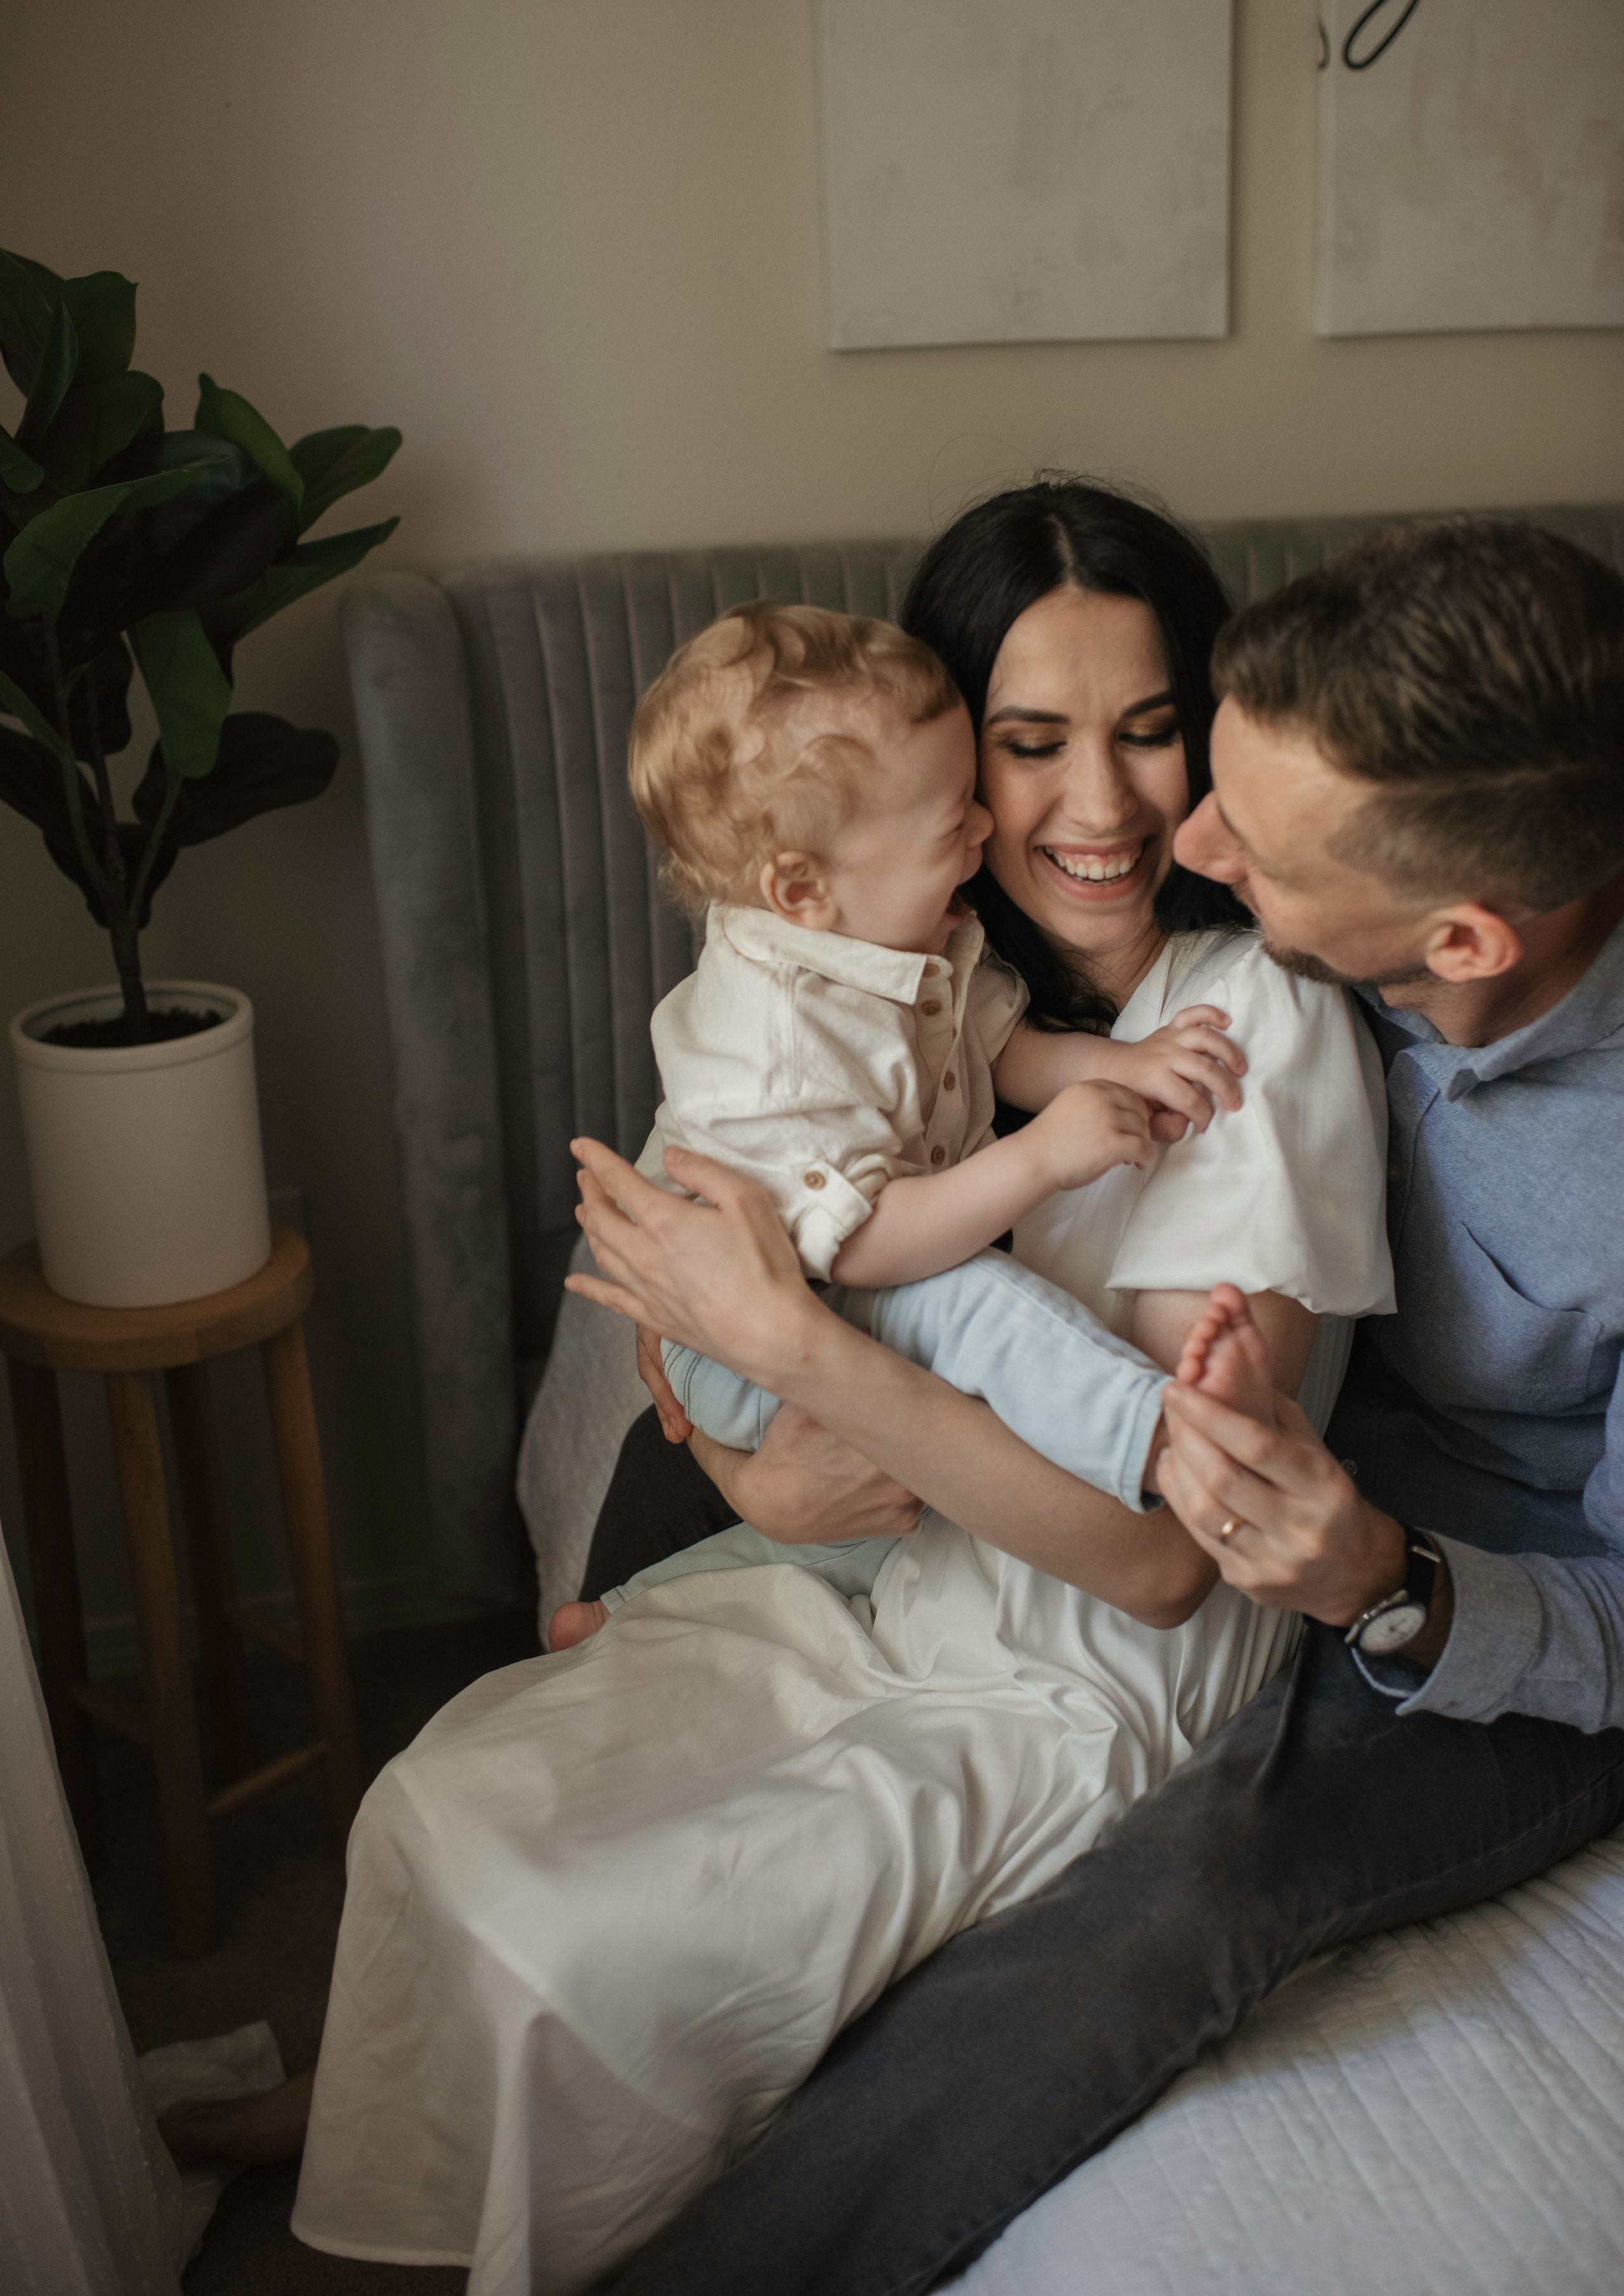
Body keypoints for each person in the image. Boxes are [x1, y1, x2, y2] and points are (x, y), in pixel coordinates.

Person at [285, 482, 1393, 2290]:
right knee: (448, 1794)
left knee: (592, 1936)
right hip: (893, 1584)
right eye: (1027, 746)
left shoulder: (1252, 1027)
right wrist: (752, 1482)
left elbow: (1166, 1558)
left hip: (1082, 1673)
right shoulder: (884, 983)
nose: (1094, 805)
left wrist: (804, 1358)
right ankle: (368, 2130)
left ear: (1214, 737)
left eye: (1145, 731)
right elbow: (688, 1273)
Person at [554, 513, 1624, 2295]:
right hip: (1144, 1507)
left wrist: (1391, 1580)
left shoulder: (1289, 1026)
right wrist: (738, 1459)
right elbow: (736, 1246)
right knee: (613, 1671)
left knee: (1179, 1897)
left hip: (1460, 1595)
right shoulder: (972, 976)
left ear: (1456, 938)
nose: (1166, 833)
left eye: (1246, 840)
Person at [551, 593, 1250, 1647]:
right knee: (966, 1305)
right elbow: (871, 1243)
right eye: (956, 816)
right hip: (761, 1318)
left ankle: (639, 1618)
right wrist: (1045, 1161)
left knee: (881, 1530)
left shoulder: (886, 934)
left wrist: (1126, 1064)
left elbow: (996, 1045)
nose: (982, 827)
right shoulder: (779, 1038)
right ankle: (1153, 1438)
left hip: (803, 1296)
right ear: (801, 888)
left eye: (1147, 731)